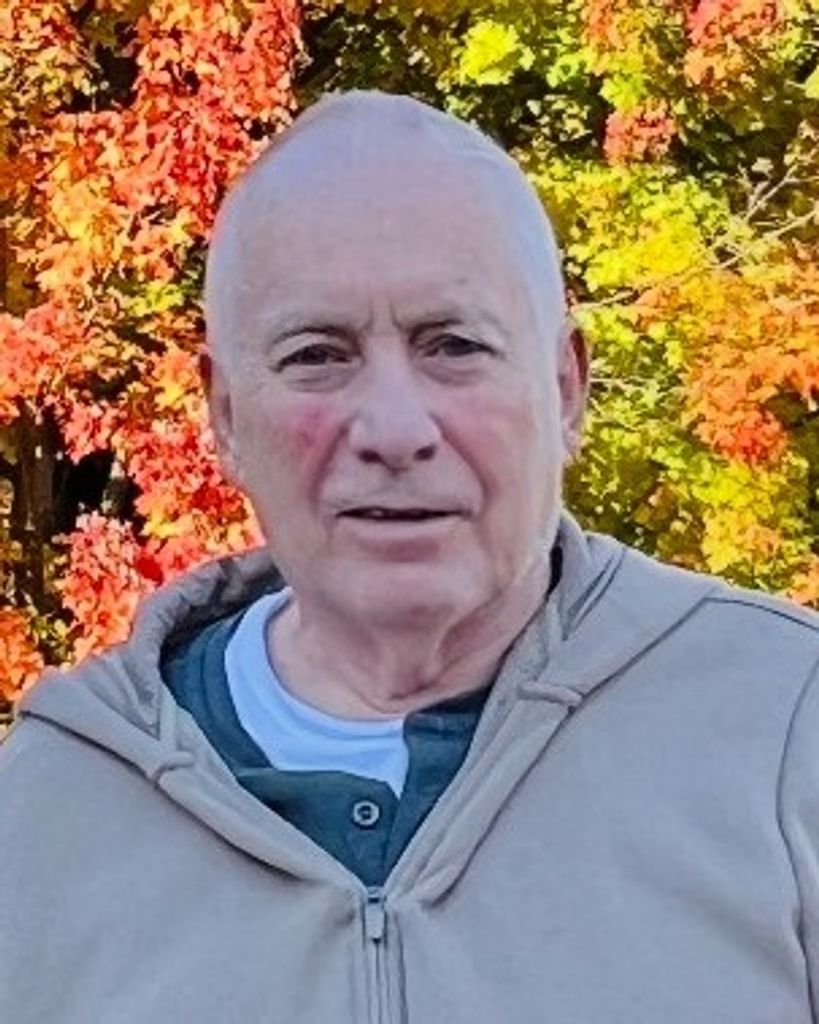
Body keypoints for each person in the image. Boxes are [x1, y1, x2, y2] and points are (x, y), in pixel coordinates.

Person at [2, 90, 819, 1024]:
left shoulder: (783, 727)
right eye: (317, 356)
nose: (394, 429)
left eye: (454, 347)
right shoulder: (50, 815)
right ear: (224, 414)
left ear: (565, 388)